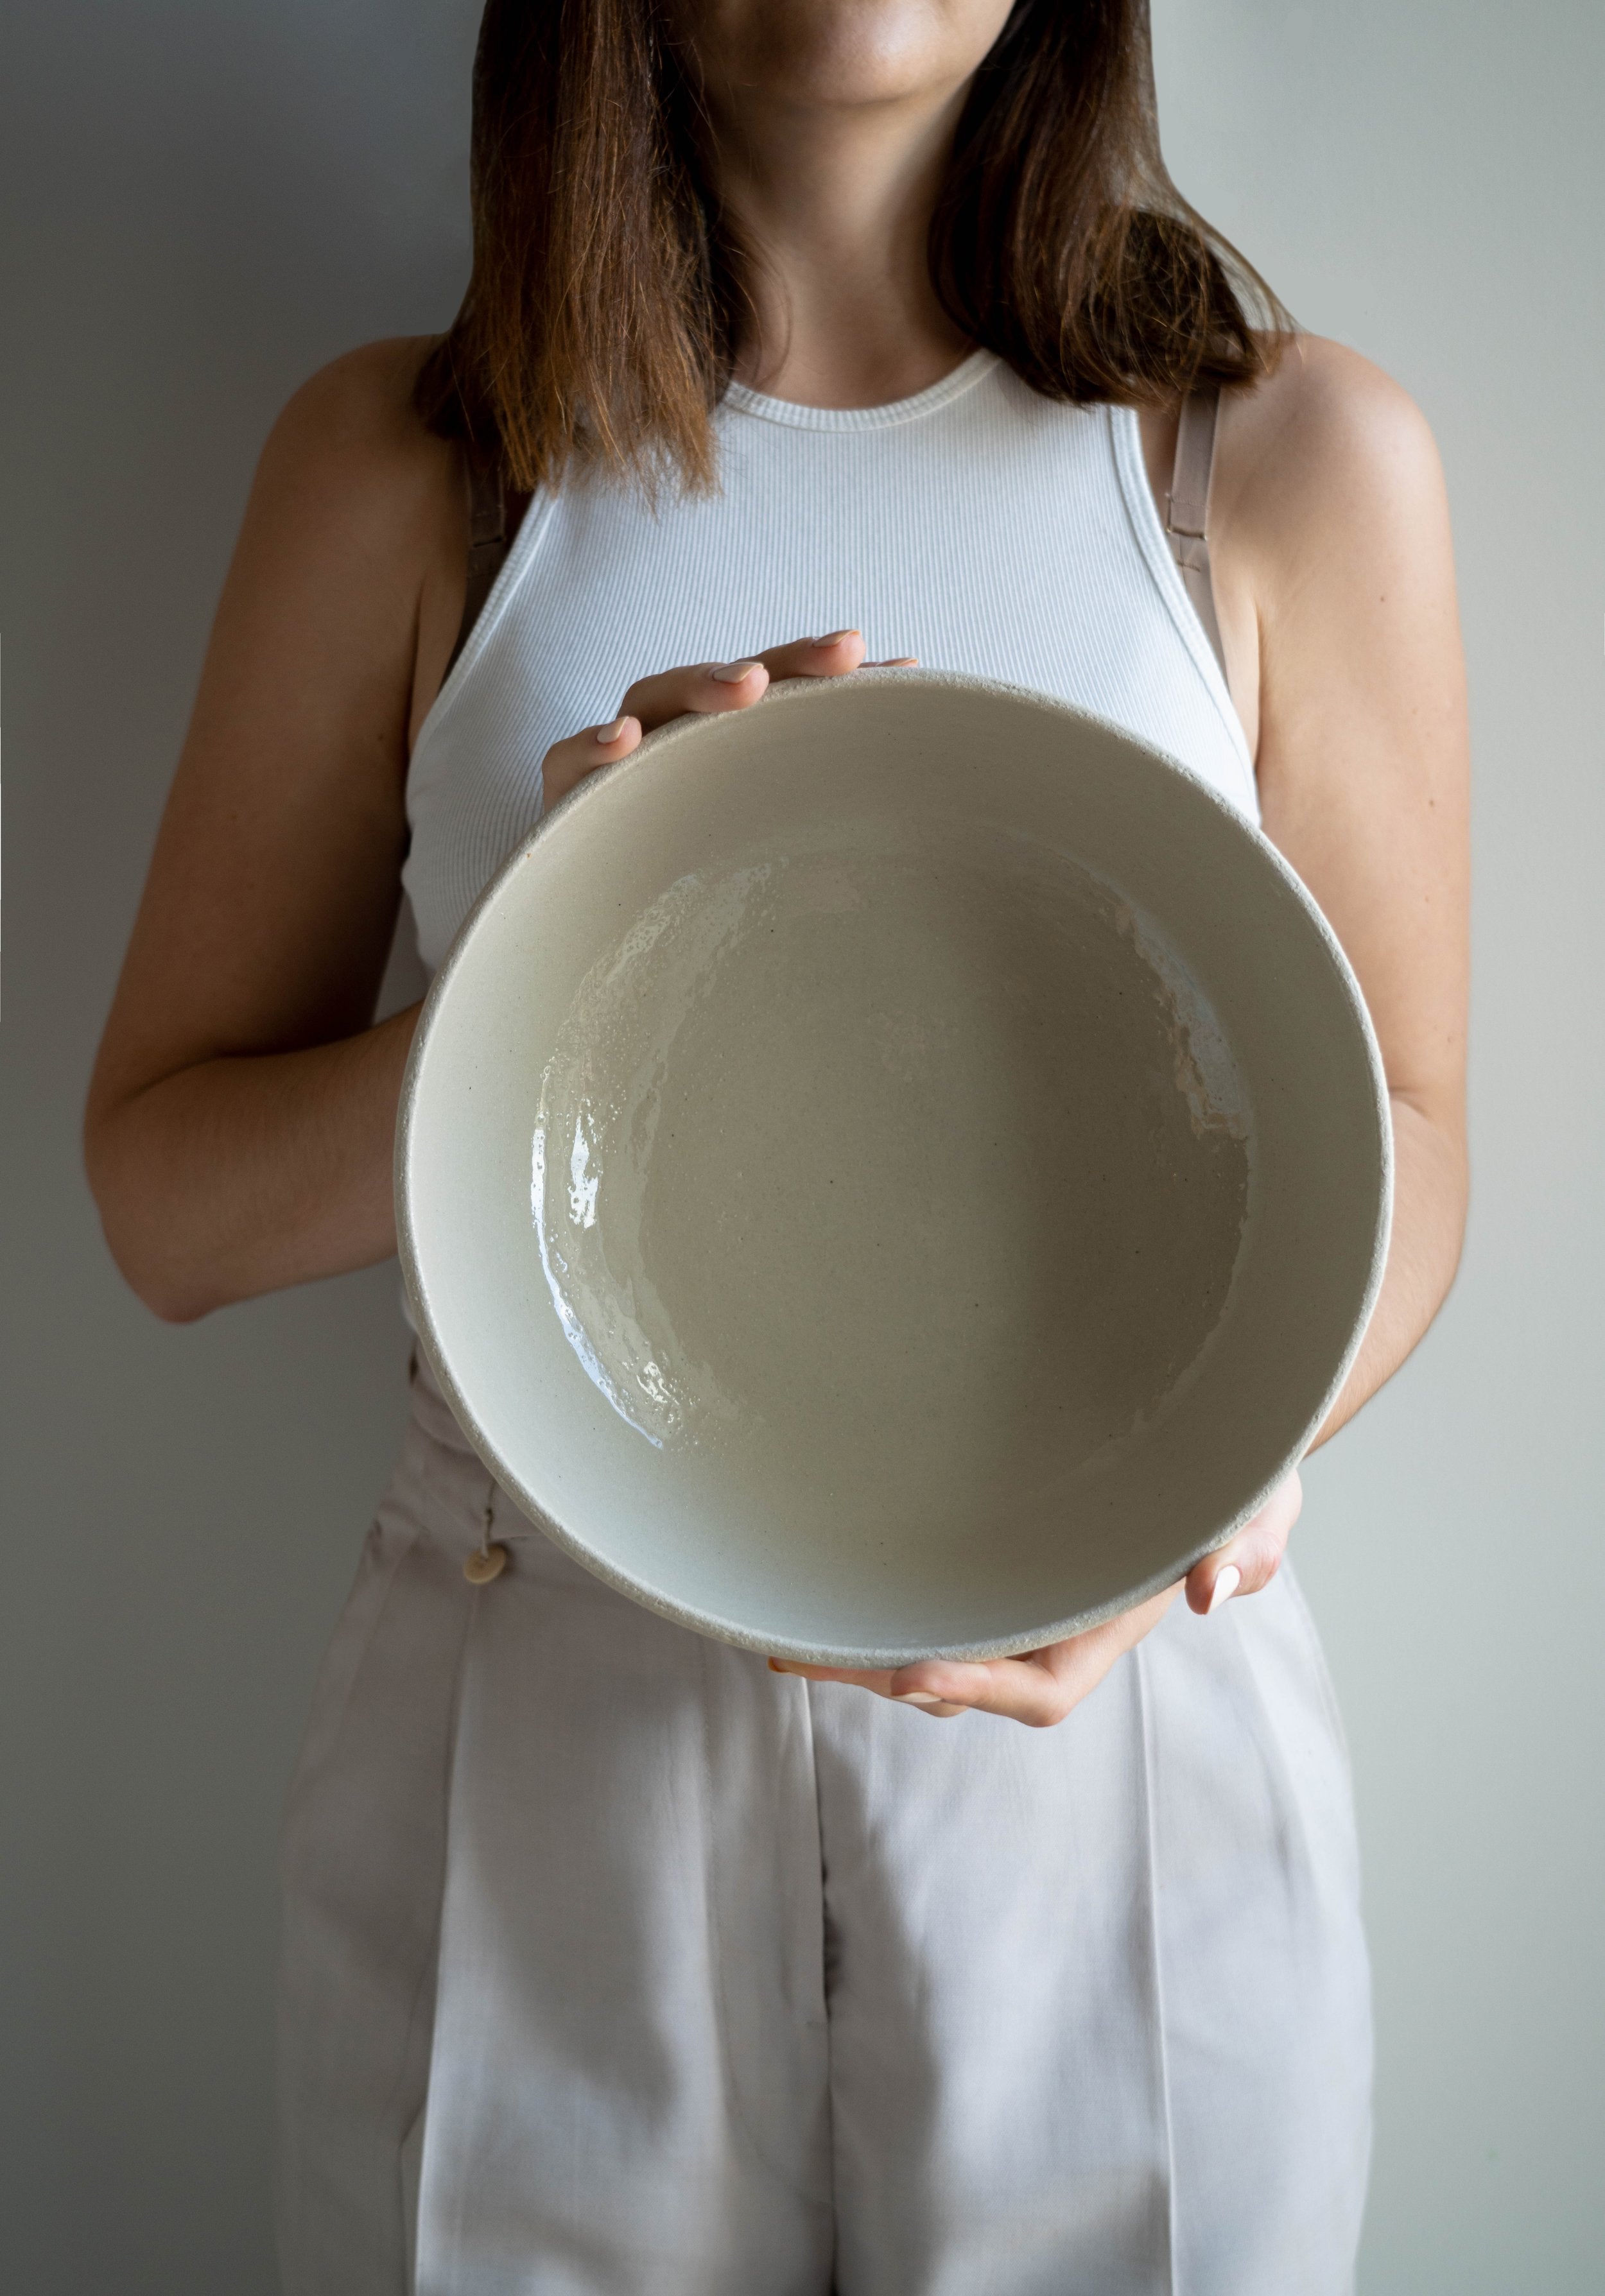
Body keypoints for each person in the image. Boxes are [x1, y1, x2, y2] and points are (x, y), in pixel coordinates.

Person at [84, 2, 1470, 2290]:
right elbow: (167, 1199)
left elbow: (1404, 1136)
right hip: (535, 1696)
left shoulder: (1283, 456)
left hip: (1107, 1694)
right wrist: (545, 994)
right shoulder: (415, 467)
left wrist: (1200, 1502)